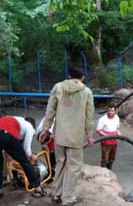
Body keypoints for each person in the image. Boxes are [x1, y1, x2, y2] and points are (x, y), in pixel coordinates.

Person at [39, 68, 95, 206]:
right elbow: (89, 116)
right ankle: (68, 197)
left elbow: (50, 111)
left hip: (60, 135)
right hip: (76, 136)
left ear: (69, 76)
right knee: (74, 166)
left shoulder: (58, 87)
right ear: (81, 78)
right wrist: (89, 134)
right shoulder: (86, 92)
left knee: (60, 163)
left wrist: (45, 129)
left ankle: (57, 194)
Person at [0, 116, 46, 200]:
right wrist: (32, 156)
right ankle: (38, 189)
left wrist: (8, 153)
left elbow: (4, 137)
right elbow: (26, 149)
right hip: (6, 135)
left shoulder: (17, 120)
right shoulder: (29, 127)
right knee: (25, 163)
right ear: (33, 126)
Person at [96, 103, 120, 170]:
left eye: (112, 111)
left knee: (112, 159)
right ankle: (103, 173)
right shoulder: (102, 119)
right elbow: (98, 130)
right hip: (105, 142)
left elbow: (117, 128)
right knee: (105, 159)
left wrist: (120, 135)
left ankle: (109, 171)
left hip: (114, 142)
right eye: (109, 110)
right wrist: (107, 135)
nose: (110, 112)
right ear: (107, 111)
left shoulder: (117, 118)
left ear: (115, 111)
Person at [36, 117, 56, 182]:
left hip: (56, 130)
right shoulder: (38, 131)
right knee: (46, 152)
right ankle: (50, 169)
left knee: (53, 152)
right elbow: (44, 145)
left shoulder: (55, 129)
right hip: (46, 130)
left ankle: (53, 169)